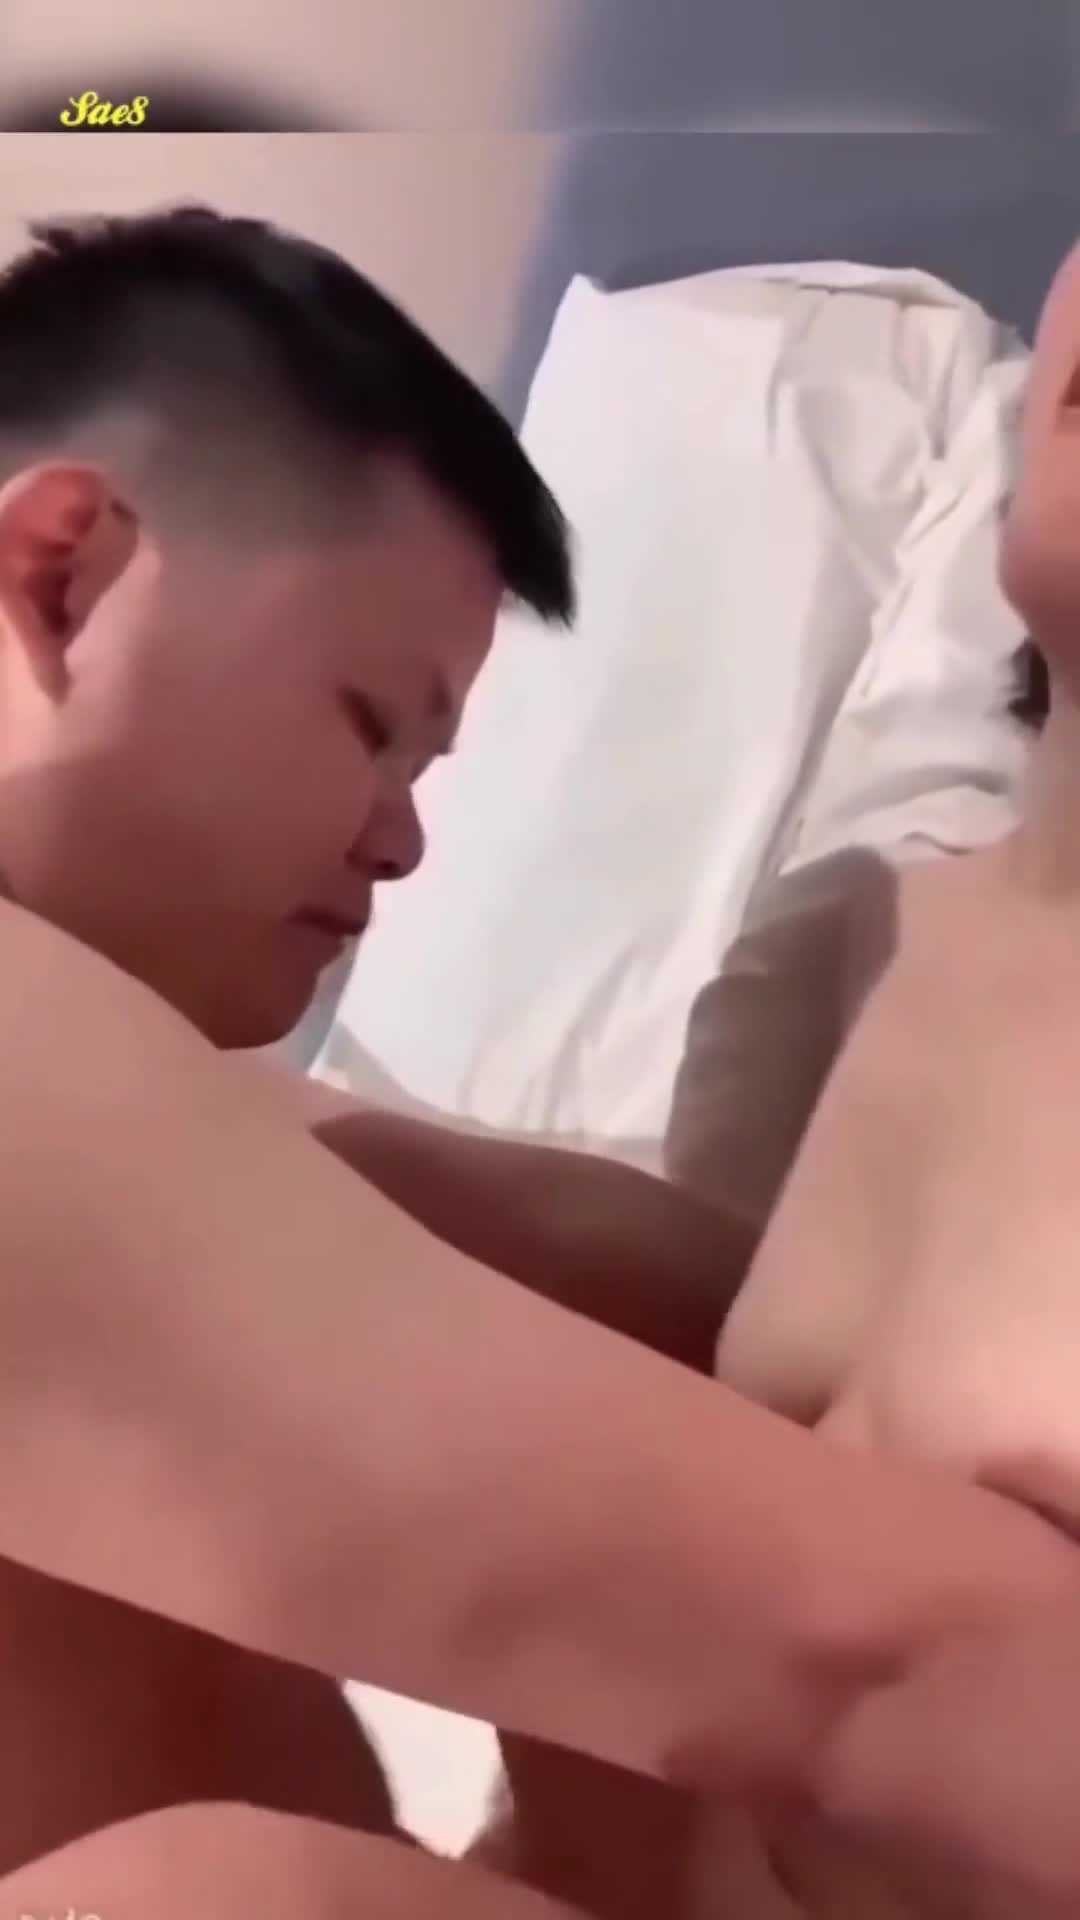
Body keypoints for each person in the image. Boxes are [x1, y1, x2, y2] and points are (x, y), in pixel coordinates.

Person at [0, 204, 1075, 1918]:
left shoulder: (257, 1159)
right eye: (371, 720)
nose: (405, 843)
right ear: (62, 572)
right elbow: (882, 1672)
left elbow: (601, 1285)